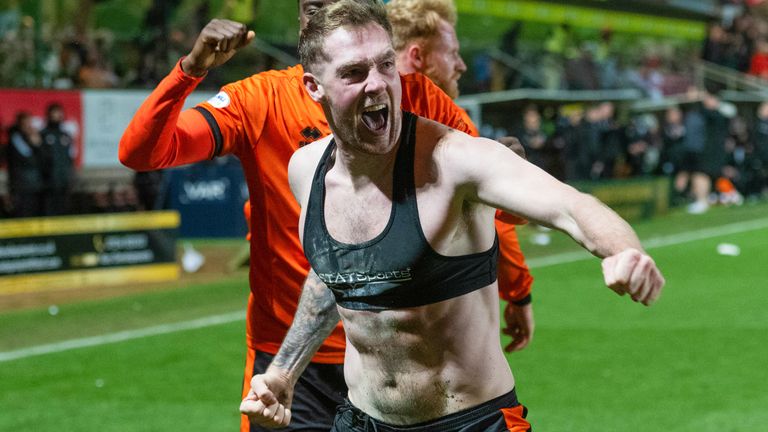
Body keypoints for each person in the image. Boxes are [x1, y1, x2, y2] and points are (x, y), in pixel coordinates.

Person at [240, 2, 665, 429]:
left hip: (470, 422)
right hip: (361, 420)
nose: (377, 85)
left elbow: (571, 205)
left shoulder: (455, 160)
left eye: (386, 65)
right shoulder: (306, 170)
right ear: (314, 87)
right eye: (354, 73)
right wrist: (283, 372)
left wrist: (622, 251)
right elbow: (333, 273)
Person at [119, 1, 531, 430]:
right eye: (311, 7)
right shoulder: (260, 100)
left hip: (396, 361)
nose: (320, 17)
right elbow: (142, 152)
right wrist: (192, 67)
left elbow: (496, 204)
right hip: (289, 360)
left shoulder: (415, 97)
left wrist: (510, 182)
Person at [386, 0, 534, 351]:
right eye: (452, 53)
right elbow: (493, 216)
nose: (462, 65)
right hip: (422, 323)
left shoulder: (349, 107)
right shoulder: (443, 117)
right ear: (419, 56)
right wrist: (520, 293)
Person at [40, 103, 77, 216]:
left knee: (64, 210)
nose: (57, 116)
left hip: (64, 181)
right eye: (55, 113)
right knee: (50, 211)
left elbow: (70, 158)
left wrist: (70, 176)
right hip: (49, 183)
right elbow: (40, 159)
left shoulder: (65, 135)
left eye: (59, 113)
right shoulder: (43, 135)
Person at [7, 112, 45, 217]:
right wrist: (35, 145)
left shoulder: (36, 137)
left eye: (30, 123)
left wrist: (38, 145)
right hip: (21, 184)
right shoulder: (16, 138)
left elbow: (43, 159)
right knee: (23, 214)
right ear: (20, 124)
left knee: (35, 213)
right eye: (25, 123)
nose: (28, 126)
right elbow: (28, 159)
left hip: (35, 184)